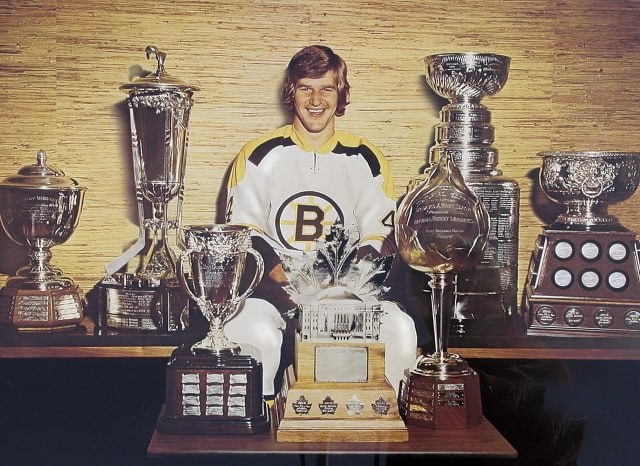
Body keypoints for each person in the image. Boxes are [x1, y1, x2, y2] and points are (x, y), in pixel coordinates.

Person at [222, 45, 418, 397]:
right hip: (275, 293)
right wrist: (290, 289)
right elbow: (244, 232)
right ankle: (260, 439)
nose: (316, 100)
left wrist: (340, 292)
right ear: (291, 92)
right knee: (249, 329)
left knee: (399, 329)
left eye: (326, 88)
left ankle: (389, 433)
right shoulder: (259, 154)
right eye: (305, 88)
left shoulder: (365, 157)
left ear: (339, 93)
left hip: (349, 292)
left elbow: (380, 234)